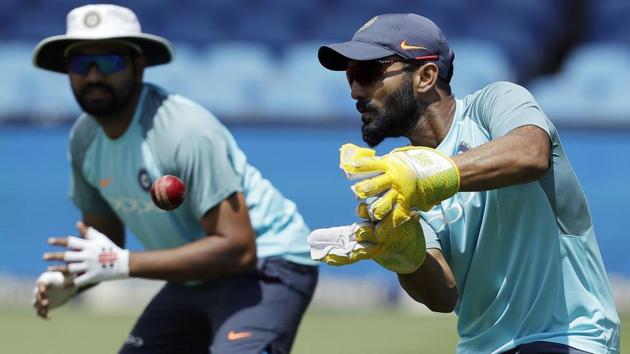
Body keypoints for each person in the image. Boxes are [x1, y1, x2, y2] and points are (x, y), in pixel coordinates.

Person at [311, 13, 620, 354]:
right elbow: (443, 295)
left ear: (426, 76)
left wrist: (428, 176)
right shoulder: (399, 176)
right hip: (480, 347)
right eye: (350, 75)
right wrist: (401, 252)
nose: (355, 89)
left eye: (367, 73)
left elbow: (531, 153)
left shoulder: (495, 103)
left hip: (569, 336)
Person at [31, 4, 318, 354]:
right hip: (196, 275)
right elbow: (103, 242)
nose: (93, 76)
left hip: (268, 264)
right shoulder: (83, 140)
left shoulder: (185, 130)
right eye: (80, 64)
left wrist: (120, 264)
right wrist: (70, 280)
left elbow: (238, 248)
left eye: (109, 62)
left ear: (138, 66)